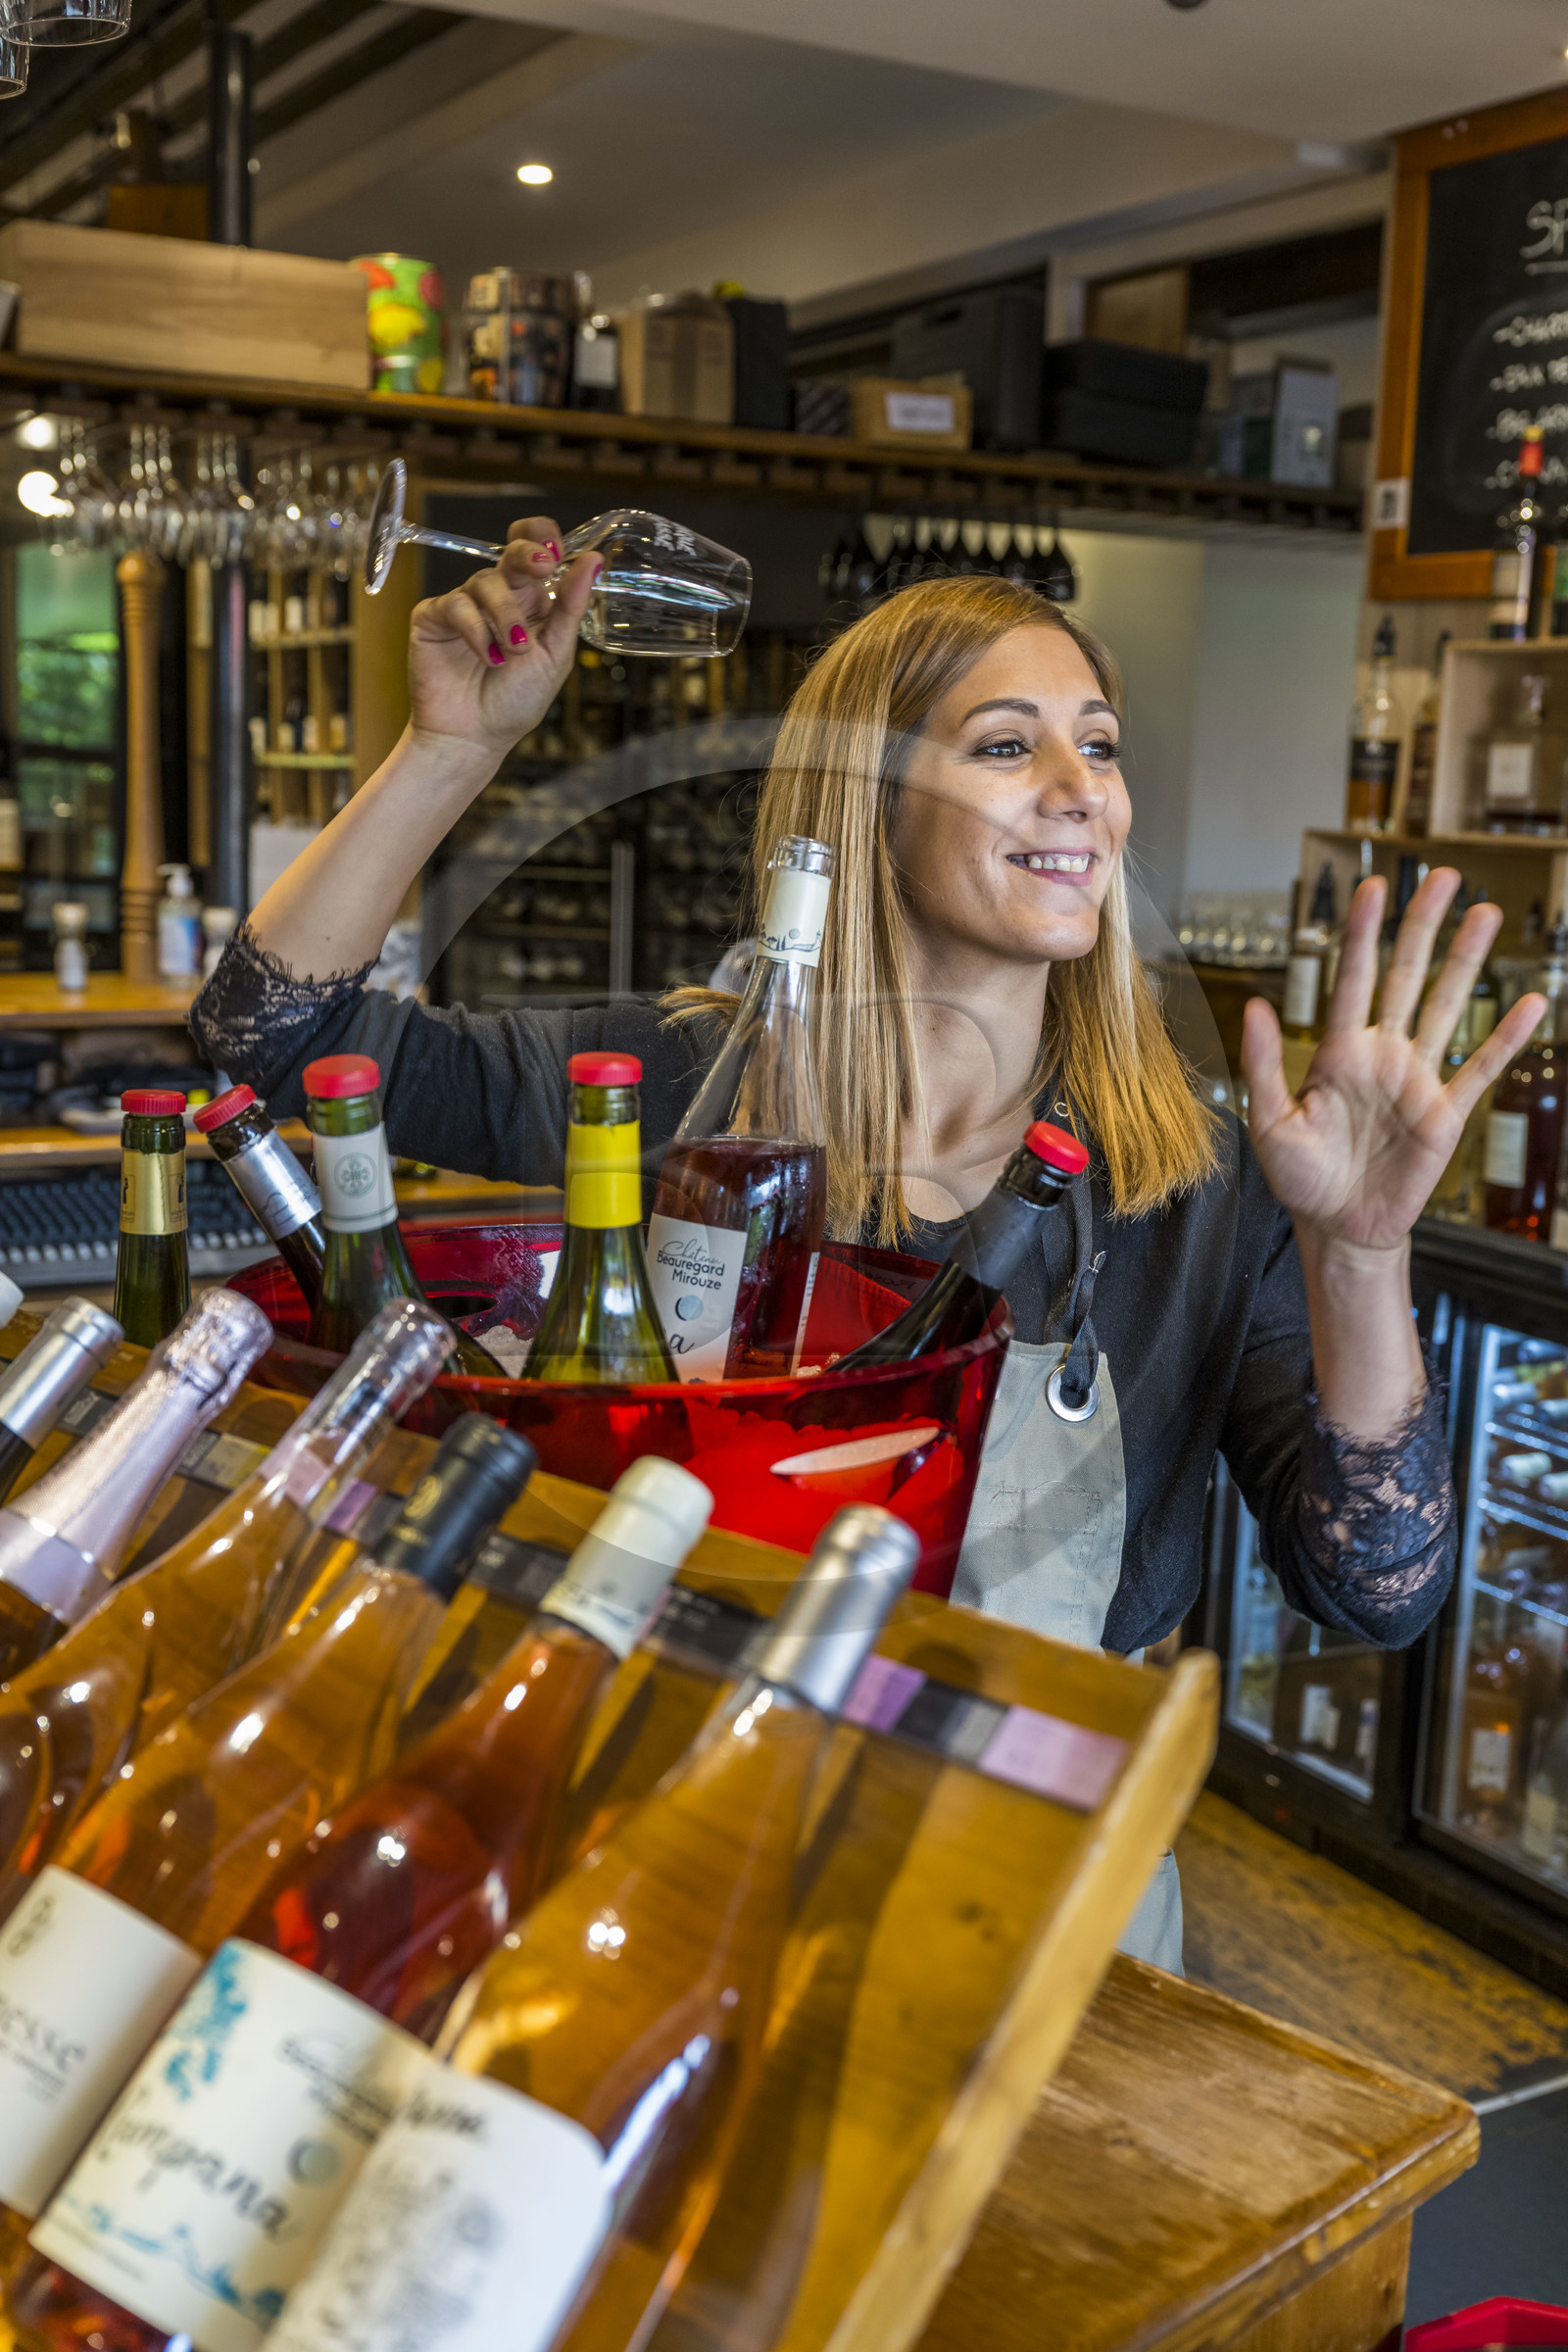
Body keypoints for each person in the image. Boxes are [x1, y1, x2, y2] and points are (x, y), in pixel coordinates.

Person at [192, 514, 1541, 1974]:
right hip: (667, 1838)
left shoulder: (1198, 1184)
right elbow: (279, 1046)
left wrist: (1357, 1254)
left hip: (1029, 1906)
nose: (1085, 790)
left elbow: (1380, 1587)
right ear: (869, 805)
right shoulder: (689, 1089)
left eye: (1101, 746)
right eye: (1010, 747)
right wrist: (447, 749)